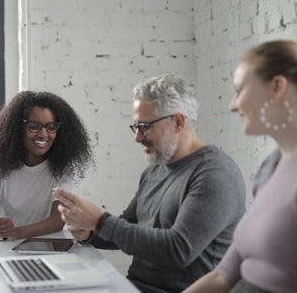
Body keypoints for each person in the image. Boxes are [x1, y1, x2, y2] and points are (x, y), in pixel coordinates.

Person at [55, 75, 246, 293]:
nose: (137, 137)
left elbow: (178, 250)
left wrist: (99, 221)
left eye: (144, 126)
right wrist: (89, 232)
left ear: (178, 122)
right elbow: (130, 225)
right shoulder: (155, 169)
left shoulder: (215, 173)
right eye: (135, 126)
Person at [184, 40, 297, 293]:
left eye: (239, 90)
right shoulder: (271, 167)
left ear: (277, 87)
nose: (232, 105)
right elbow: (224, 275)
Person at [0, 91, 92, 243]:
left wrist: (17, 231)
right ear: (17, 128)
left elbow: (57, 220)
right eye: (34, 126)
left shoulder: (64, 167)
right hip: (12, 247)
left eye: (51, 127)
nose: (43, 134)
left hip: (51, 248)